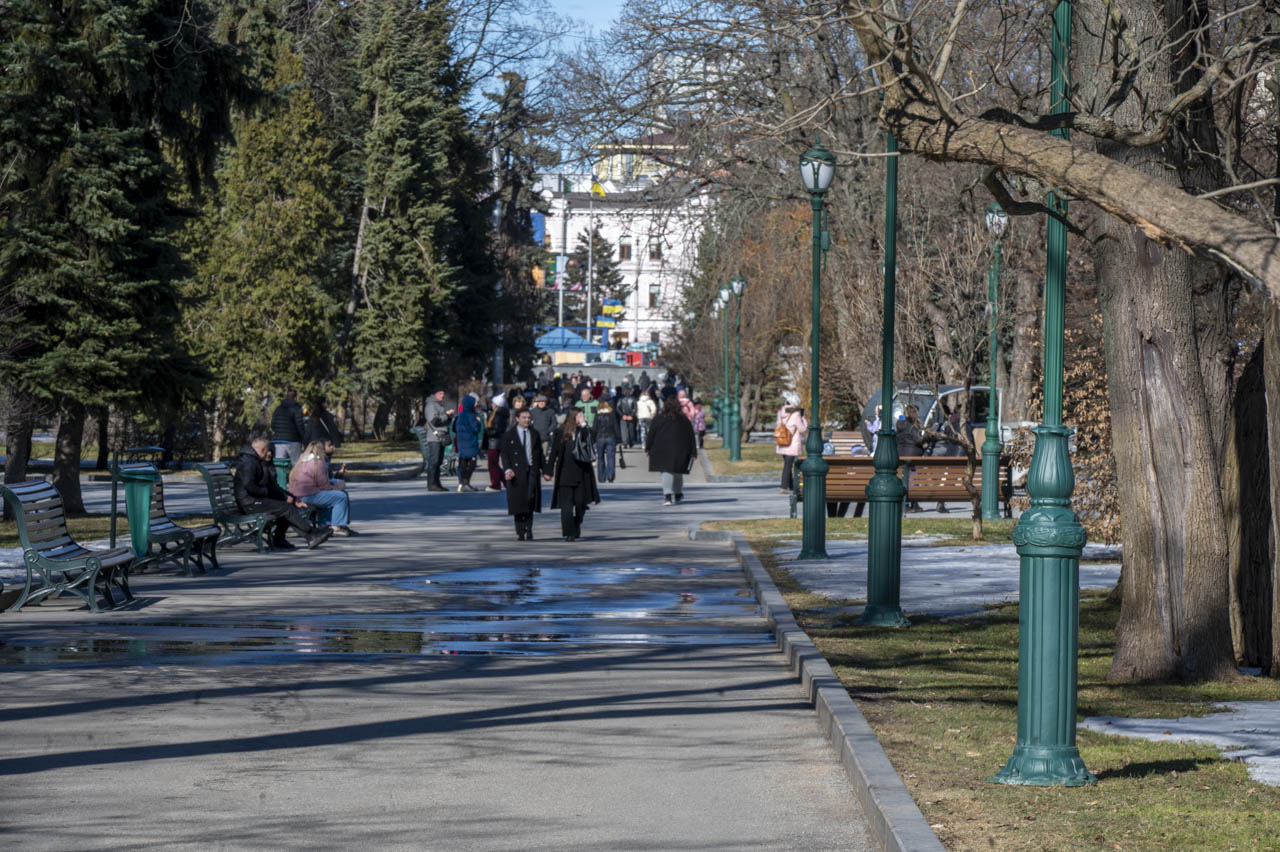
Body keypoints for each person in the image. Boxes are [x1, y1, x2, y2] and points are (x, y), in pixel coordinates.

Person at [234, 437, 331, 549]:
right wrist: (265, 492)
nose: (270, 453)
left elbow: (272, 487)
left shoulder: (258, 462)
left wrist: (291, 498)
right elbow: (248, 485)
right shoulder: (249, 462)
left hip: (255, 500)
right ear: (262, 449)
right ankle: (311, 533)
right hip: (249, 503)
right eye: (269, 450)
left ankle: (284, 539)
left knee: (286, 506)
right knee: (285, 508)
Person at [548, 407, 599, 541]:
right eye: (580, 416)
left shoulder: (584, 430)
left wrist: (584, 425)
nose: (583, 418)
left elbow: (591, 441)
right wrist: (548, 471)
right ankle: (569, 533)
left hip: (582, 473)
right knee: (566, 506)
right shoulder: (560, 432)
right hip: (565, 473)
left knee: (581, 503)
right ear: (573, 417)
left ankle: (577, 523)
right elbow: (554, 453)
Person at [289, 440, 356, 536]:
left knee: (331, 497)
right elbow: (324, 486)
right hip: (308, 496)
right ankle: (336, 526)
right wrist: (338, 486)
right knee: (341, 496)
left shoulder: (300, 463)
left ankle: (325, 524)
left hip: (297, 496)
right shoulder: (317, 463)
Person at [500, 407, 545, 541]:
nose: (527, 420)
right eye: (524, 418)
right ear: (517, 419)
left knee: (530, 498)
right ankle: (520, 530)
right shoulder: (509, 435)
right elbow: (505, 454)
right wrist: (507, 469)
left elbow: (539, 453)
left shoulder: (534, 433)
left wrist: (547, 470)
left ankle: (529, 528)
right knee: (518, 501)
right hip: (516, 472)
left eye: (529, 418)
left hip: (531, 470)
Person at [646, 395, 698, 506]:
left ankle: (667, 496)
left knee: (666, 471)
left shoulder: (658, 419)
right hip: (681, 449)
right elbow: (691, 436)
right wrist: (693, 451)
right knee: (678, 472)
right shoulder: (683, 420)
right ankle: (678, 494)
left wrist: (648, 447)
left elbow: (651, 434)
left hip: (661, 449)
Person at [897, 404, 928, 512]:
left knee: (905, 479)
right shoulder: (911, 425)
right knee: (913, 480)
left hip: (901, 453)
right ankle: (912, 503)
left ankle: (909, 503)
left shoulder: (900, 423)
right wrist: (928, 436)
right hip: (912, 456)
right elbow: (918, 440)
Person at [775, 394, 806, 494]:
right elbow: (802, 429)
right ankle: (784, 487)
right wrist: (804, 419)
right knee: (788, 465)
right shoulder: (796, 413)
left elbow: (778, 425)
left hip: (782, 441)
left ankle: (791, 486)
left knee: (787, 464)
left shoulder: (781, 412)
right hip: (792, 443)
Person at [423, 388, 452, 491]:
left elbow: (443, 420)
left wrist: (449, 417)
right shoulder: (431, 405)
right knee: (434, 461)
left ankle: (437, 483)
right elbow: (434, 421)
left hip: (440, 436)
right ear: (434, 394)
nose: (442, 395)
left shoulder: (439, 405)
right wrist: (447, 415)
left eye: (443, 393)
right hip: (434, 437)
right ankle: (431, 484)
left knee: (439, 461)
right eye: (440, 393)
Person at [454, 394, 485, 492]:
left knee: (463, 461)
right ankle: (466, 482)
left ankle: (462, 483)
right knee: (472, 463)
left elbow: (454, 428)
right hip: (470, 442)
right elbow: (475, 429)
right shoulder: (471, 416)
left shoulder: (459, 415)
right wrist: (479, 422)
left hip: (461, 442)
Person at [270, 389, 307, 466]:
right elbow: (300, 425)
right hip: (293, 440)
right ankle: (295, 478)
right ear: (296, 398)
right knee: (296, 464)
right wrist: (304, 438)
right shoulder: (296, 408)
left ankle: (281, 478)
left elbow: (273, 425)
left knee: (280, 464)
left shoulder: (278, 409)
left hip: (279, 441)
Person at [485, 392, 510, 491]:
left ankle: (495, 484)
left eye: (493, 403)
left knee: (492, 464)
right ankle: (505, 482)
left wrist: (487, 431)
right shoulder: (498, 413)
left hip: (494, 441)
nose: (491, 404)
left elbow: (496, 429)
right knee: (494, 464)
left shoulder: (498, 414)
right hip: (495, 441)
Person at [593, 396, 622, 483]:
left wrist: (593, 438)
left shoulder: (597, 415)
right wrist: (619, 439)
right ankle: (610, 475)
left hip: (600, 437)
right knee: (611, 457)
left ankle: (601, 477)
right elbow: (616, 427)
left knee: (600, 458)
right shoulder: (611, 414)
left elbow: (595, 428)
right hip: (611, 437)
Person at [528, 393, 557, 461]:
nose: (541, 403)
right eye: (540, 401)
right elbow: (529, 422)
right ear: (537, 402)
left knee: (544, 455)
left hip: (545, 437)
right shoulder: (532, 411)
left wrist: (549, 430)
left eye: (543, 402)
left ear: (546, 403)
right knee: (534, 454)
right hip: (534, 437)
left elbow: (554, 423)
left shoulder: (550, 411)